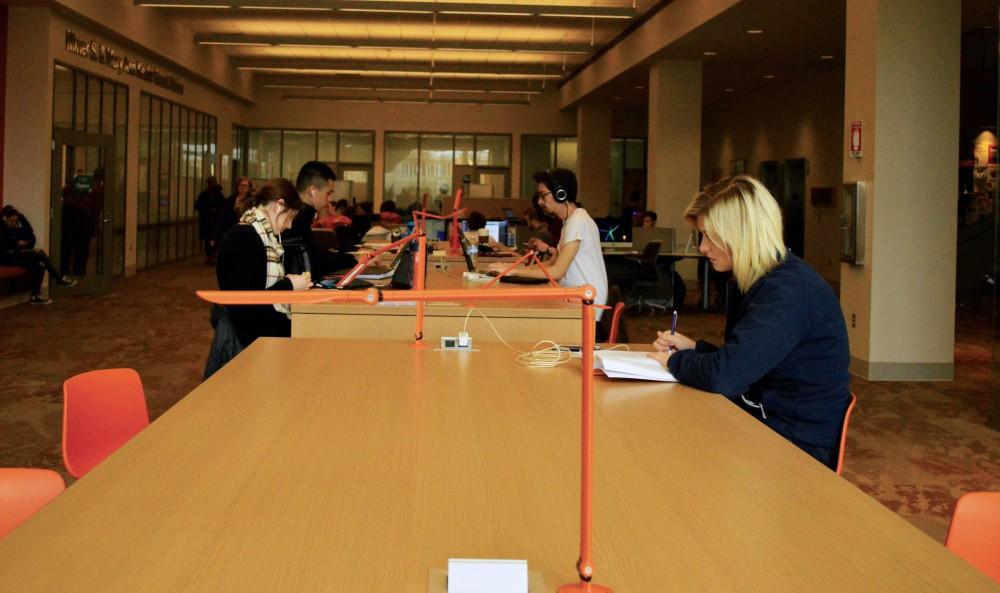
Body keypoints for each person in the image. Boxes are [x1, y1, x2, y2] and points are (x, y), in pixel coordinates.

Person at [647, 176, 851, 470]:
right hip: (769, 418)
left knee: (676, 448)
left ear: (740, 235)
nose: (702, 248)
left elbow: (725, 376)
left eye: (709, 236)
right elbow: (749, 360)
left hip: (798, 443)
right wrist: (696, 348)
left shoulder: (787, 291)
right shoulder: (757, 282)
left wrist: (674, 363)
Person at [488, 168, 608, 318]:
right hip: (575, 300)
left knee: (527, 312)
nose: (539, 202)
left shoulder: (578, 221)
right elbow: (552, 263)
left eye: (543, 195)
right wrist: (512, 269)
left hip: (586, 308)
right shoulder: (571, 221)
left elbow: (557, 271)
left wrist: (511, 271)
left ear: (561, 194)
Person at [215, 178, 311, 348]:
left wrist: (286, 283)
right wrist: (288, 285)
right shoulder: (244, 237)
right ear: (279, 205)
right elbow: (245, 303)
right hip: (254, 343)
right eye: (290, 217)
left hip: (262, 338)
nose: (289, 226)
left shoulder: (259, 235)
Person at [1, 205, 76, 304]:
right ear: (4, 218)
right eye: (11, 221)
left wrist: (21, 217)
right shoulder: (2, 227)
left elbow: (30, 234)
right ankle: (58, 277)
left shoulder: (12, 227)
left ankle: (35, 295)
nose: (14, 224)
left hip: (15, 255)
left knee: (39, 266)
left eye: (16, 221)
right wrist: (16, 244)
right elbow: (5, 245)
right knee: (39, 253)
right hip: (5, 257)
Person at [211, 176, 253, 254]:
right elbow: (221, 218)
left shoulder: (252, 202)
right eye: (240, 185)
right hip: (230, 233)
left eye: (245, 186)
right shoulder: (229, 200)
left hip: (245, 235)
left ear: (249, 188)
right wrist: (215, 235)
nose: (242, 188)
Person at [194, 176, 225, 265]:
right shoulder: (204, 194)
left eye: (213, 182)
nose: (212, 184)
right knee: (208, 240)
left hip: (215, 221)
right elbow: (197, 206)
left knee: (214, 239)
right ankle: (209, 256)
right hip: (207, 221)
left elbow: (223, 207)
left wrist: (217, 211)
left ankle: (213, 255)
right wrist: (207, 210)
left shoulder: (219, 195)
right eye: (210, 183)